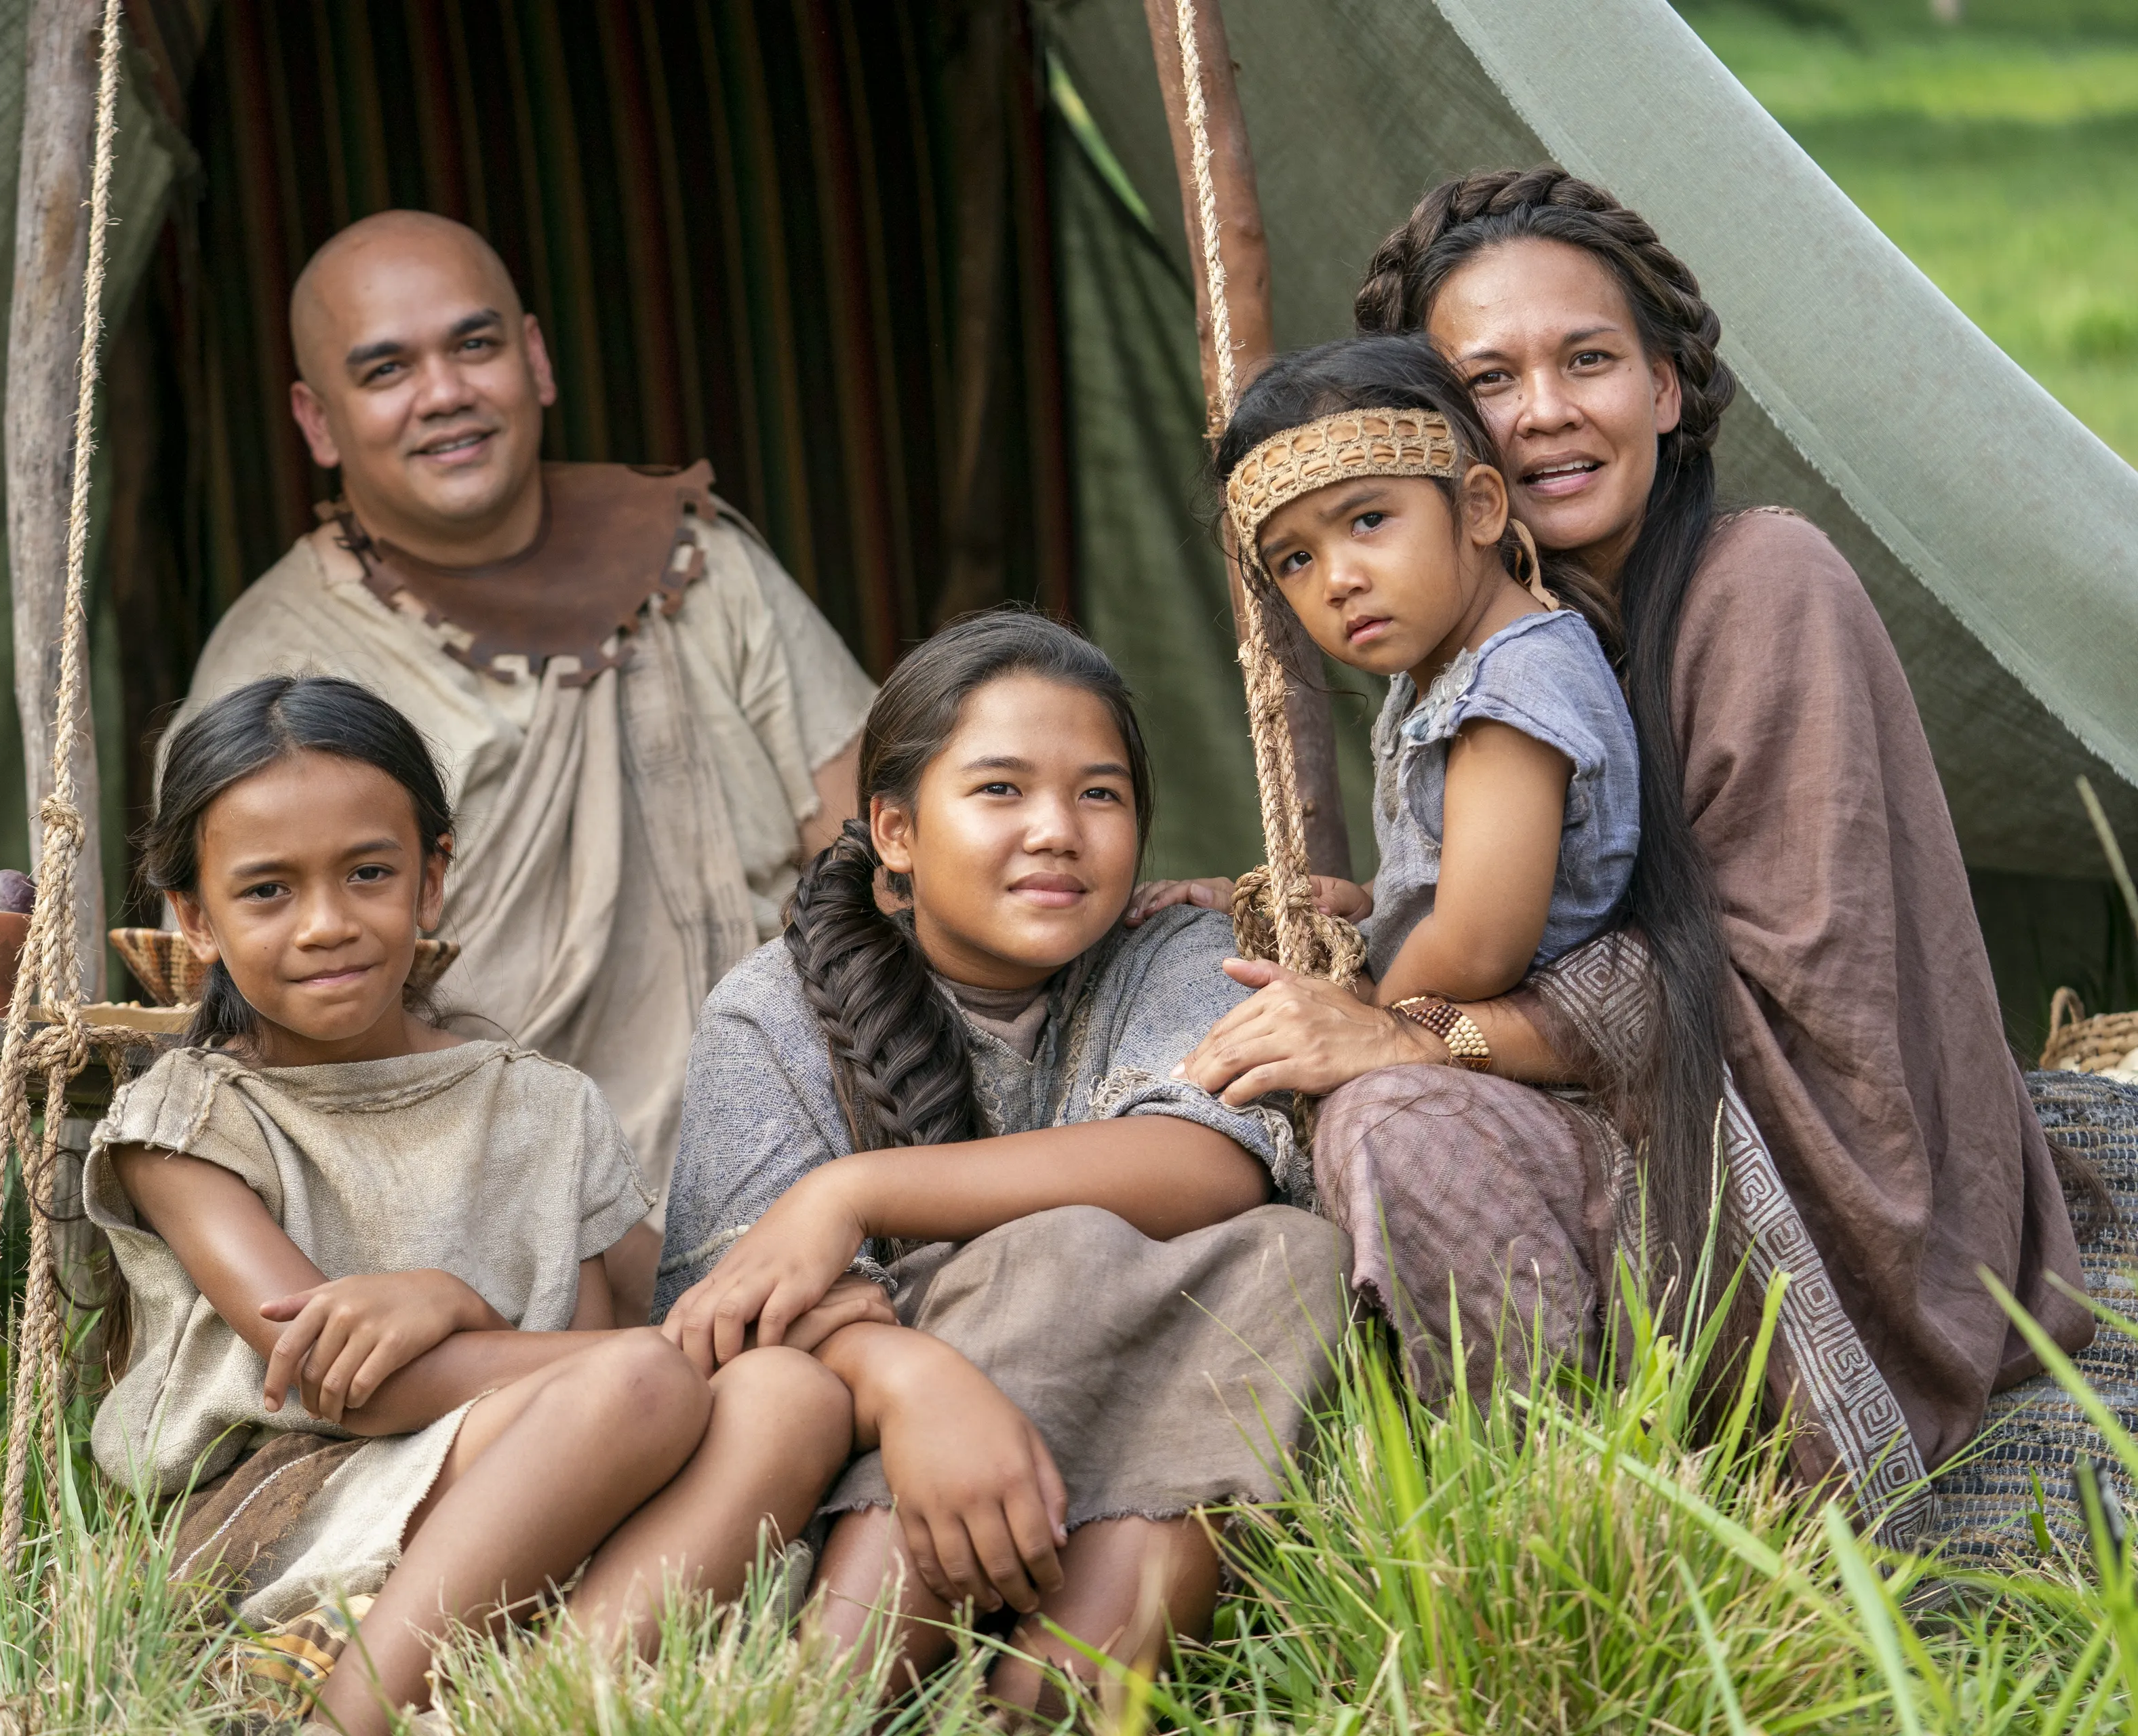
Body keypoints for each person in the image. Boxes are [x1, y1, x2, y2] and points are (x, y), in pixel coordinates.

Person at [1162, 168, 2089, 1548]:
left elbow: (1783, 990)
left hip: (1780, 1178)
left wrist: (1413, 1030)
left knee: (1395, 1122)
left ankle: (1561, 1542)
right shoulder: (1480, 637)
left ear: (1663, 387)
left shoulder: (1764, 583)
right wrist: (1348, 927)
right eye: (1491, 379)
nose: (1544, 409)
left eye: (1587, 360)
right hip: (1603, 1109)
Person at [85, 675, 871, 1731]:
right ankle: (347, 1721)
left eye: (369, 874)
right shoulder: (189, 1121)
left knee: (793, 1397)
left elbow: (644, 1330)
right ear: (196, 918)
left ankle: (538, 1707)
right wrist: (469, 1303)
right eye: (268, 891)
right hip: (294, 1504)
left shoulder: (541, 1107)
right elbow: (339, 1384)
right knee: (650, 1379)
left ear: (431, 882)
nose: (326, 924)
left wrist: (800, 1318)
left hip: (552, 1487)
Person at [167, 212, 877, 1318]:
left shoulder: (699, 563)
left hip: (789, 1184)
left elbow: (884, 854)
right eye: (386, 370)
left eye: (476, 345)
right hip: (484, 1235)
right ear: (317, 420)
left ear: (537, 359)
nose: (443, 393)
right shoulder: (282, 660)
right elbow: (253, 1014)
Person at [656, 612, 1348, 1714]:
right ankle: (821, 1699)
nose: (1057, 831)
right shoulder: (772, 1012)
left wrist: (853, 1192)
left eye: (1100, 795)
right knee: (1058, 1248)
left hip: (1110, 1498)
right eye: (1000, 790)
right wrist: (924, 1389)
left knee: (1290, 1255)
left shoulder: (1178, 958)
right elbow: (732, 1321)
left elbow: (1208, 1164)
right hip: (847, 1511)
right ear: (896, 830)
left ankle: (1049, 1704)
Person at [1212, 332, 1639, 1013]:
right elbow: (1461, 878)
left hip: (1516, 1042)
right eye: (1296, 559)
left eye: (1368, 519)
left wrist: (1363, 1016)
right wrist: (1372, 903)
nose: (1338, 581)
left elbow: (1477, 950)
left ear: (1479, 508)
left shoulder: (1513, 688)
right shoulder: (1442, 677)